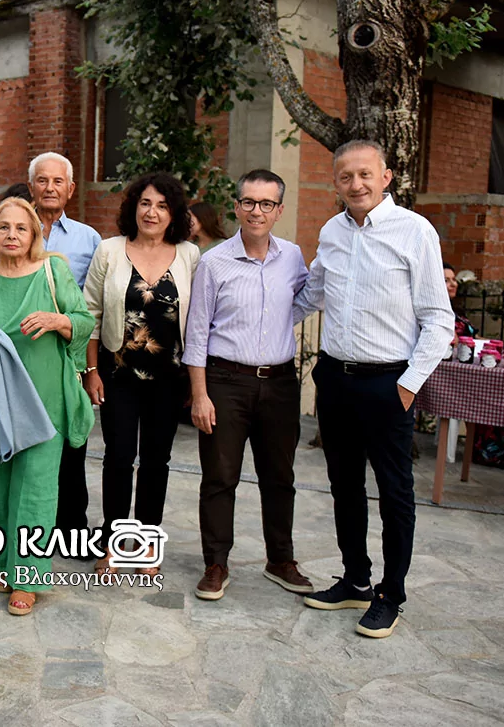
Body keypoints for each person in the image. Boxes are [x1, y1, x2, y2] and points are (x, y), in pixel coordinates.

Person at [294, 140, 452, 639]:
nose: (356, 184)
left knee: (394, 491)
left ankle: (391, 593)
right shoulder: (331, 232)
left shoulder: (415, 231)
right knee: (344, 486)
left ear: (386, 177)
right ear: (335, 182)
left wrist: (407, 387)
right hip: (335, 379)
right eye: (346, 176)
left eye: (365, 174)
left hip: (389, 384)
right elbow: (310, 295)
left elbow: (438, 319)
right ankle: (356, 580)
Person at [0, 198, 95, 615]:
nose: (12, 235)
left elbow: (83, 320)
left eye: (20, 228)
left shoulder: (54, 271)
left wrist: (56, 321)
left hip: (45, 401)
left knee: (35, 488)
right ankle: (6, 563)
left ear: (34, 234)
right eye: (4, 227)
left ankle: (28, 577)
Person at [183, 169, 312, 601]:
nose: (257, 211)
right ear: (236, 207)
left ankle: (280, 560)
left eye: (267, 204)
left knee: (280, 476)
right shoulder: (214, 262)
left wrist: (274, 328)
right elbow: (197, 334)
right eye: (249, 202)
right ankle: (216, 563)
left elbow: (300, 301)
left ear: (279, 210)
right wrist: (200, 395)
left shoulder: (292, 257)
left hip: (280, 383)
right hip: (225, 382)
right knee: (220, 477)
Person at [0, 153, 101, 553]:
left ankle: (62, 538)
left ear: (70, 189)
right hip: (2, 375)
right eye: (42, 181)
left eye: (58, 181)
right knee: (8, 465)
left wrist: (87, 365)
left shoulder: (85, 241)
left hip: (58, 366)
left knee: (61, 465)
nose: (50, 188)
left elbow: (88, 311)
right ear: (31, 187)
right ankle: (13, 546)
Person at [83, 172, 199, 576]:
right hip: (118, 375)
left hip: (169, 379)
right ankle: (113, 543)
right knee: (117, 458)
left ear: (174, 213)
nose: (152, 212)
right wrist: (91, 370)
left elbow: (199, 320)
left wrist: (196, 382)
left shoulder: (189, 255)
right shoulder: (109, 250)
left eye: (162, 206)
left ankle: (148, 542)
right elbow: (91, 315)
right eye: (145, 203)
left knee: (156, 460)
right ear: (133, 206)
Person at [442, 262, 504, 475]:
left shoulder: (455, 312)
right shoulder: (438, 313)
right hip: (454, 374)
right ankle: (494, 452)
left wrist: (498, 347)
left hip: (474, 368)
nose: (453, 284)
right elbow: (451, 342)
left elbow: (475, 337)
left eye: (454, 279)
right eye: (446, 280)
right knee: (493, 395)